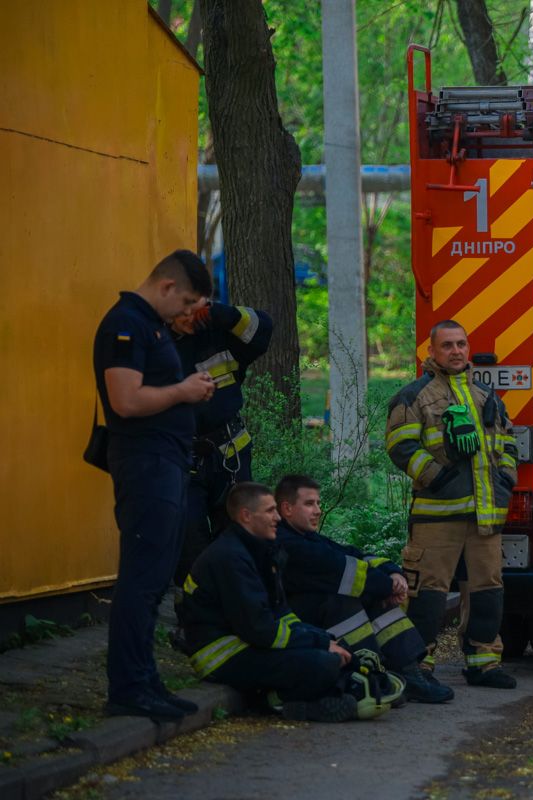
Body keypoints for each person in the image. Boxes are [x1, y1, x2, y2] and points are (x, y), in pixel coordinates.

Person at [92, 250, 215, 721]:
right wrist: (183, 391)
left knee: (157, 577)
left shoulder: (154, 325)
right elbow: (125, 400)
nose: (187, 313)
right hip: (144, 462)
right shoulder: (127, 324)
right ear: (166, 287)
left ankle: (145, 680)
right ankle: (126, 687)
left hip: (164, 461)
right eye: (185, 301)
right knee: (141, 579)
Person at [385, 320, 520, 690]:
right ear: (431, 352)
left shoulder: (485, 396)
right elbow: (400, 447)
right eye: (447, 345)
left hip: (485, 515)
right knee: (427, 593)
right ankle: (418, 666)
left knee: (487, 591)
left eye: (461, 344)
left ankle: (483, 663)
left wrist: (506, 480)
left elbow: (508, 442)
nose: (456, 351)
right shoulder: (413, 396)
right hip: (436, 516)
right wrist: (437, 478)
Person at [178, 482, 371, 723]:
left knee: (339, 654)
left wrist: (327, 640)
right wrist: (319, 644)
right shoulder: (230, 558)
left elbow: (282, 614)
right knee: (323, 665)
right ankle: (272, 702)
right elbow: (260, 630)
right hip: (221, 657)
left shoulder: (259, 551)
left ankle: (310, 695)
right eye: (270, 511)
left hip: (246, 644)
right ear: (246, 516)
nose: (278, 518)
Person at [274, 474, 454, 703]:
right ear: (287, 509)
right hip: (297, 624)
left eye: (318, 503)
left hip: (314, 619)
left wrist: (391, 571)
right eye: (309, 504)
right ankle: (375, 677)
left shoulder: (305, 536)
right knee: (345, 601)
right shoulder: (287, 542)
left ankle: (408, 673)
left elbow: (352, 553)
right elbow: (342, 569)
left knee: (375, 598)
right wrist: (389, 586)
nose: (318, 510)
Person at [170, 298, 274, 585]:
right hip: (182, 461)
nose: (189, 312)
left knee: (241, 537)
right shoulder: (157, 344)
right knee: (189, 544)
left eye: (196, 303)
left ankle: (241, 610)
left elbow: (263, 327)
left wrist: (222, 313)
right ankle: (192, 619)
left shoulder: (219, 331)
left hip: (231, 454)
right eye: (182, 305)